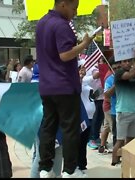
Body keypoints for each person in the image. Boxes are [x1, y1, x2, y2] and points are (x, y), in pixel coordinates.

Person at [36, 0, 94, 178]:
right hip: (65, 85)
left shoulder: (42, 22)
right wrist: (84, 44)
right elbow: (65, 54)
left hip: (47, 86)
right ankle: (70, 170)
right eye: (74, 8)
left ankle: (45, 168)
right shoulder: (62, 25)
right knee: (70, 128)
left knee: (48, 126)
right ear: (62, 4)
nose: (75, 12)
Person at [111, 48, 135, 166]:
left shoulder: (134, 74)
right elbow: (130, 74)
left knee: (132, 140)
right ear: (120, 63)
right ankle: (114, 160)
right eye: (125, 61)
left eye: (129, 60)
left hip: (134, 111)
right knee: (120, 140)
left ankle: (127, 160)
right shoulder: (119, 74)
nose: (127, 63)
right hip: (123, 112)